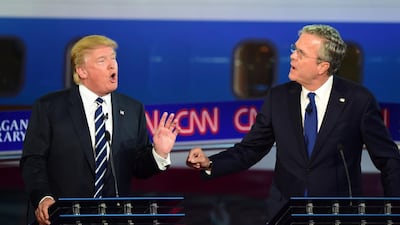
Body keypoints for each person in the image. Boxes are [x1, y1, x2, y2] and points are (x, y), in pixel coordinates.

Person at [186, 24, 400, 223]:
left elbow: (388, 159)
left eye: (301, 53)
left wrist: (394, 212)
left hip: (337, 215)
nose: (292, 56)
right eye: (294, 49)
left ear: (322, 66)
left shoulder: (358, 100)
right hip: (284, 214)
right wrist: (211, 164)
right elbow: (251, 149)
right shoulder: (278, 98)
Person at [20, 34, 181, 225]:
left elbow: (138, 166)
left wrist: (158, 153)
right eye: (102, 60)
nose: (113, 65)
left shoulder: (131, 109)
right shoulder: (50, 107)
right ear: (82, 71)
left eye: (113, 58)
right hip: (62, 218)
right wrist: (43, 197)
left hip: (114, 219)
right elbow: (33, 160)